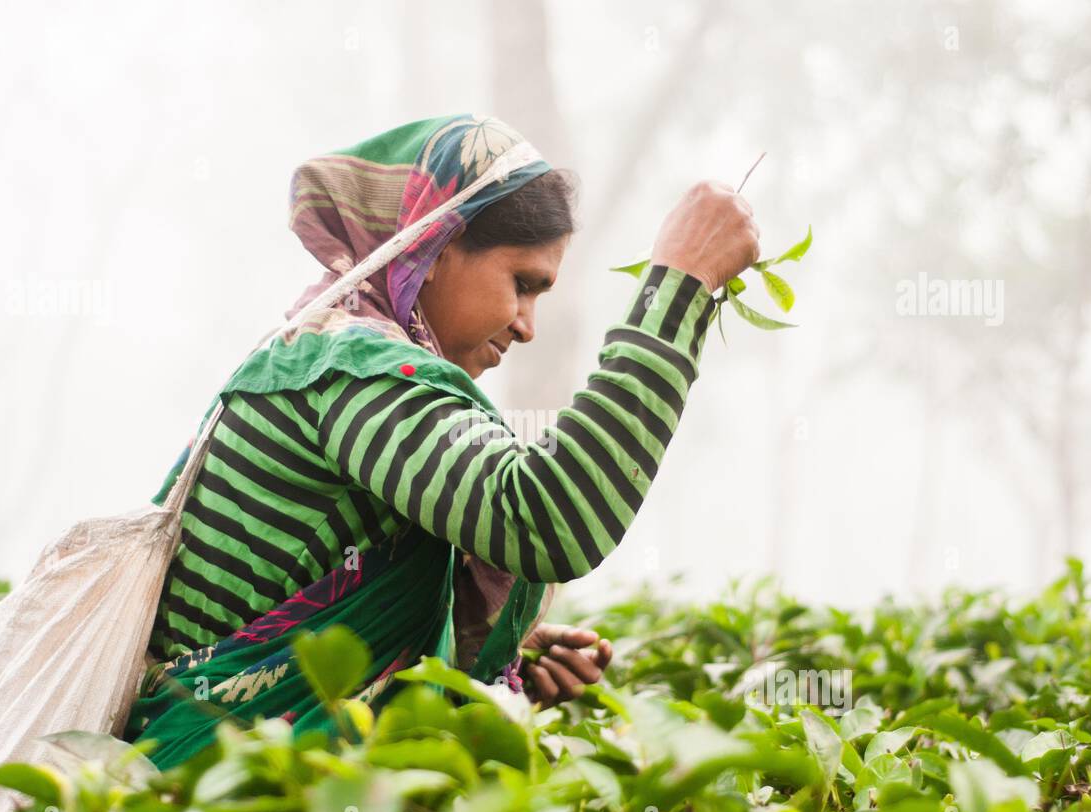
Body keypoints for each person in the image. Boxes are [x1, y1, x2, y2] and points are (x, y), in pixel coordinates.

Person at [121, 114, 759, 770]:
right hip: (209, 791)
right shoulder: (348, 369)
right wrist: (676, 289)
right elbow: (549, 517)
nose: (527, 326)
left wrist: (490, 657)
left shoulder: (334, 360)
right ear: (433, 247)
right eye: (522, 283)